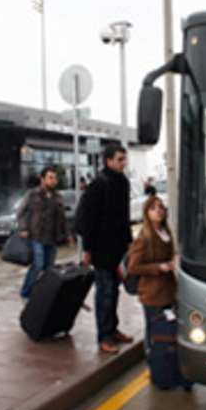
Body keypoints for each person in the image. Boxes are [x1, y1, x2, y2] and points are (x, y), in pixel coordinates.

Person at [77, 143, 134, 354]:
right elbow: (87, 220)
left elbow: (125, 216)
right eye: (119, 159)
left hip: (118, 248)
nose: (123, 163)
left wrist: (129, 242)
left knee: (115, 291)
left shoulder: (123, 183)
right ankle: (104, 336)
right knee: (105, 292)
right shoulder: (98, 185)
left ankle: (113, 328)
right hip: (101, 249)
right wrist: (87, 250)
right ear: (108, 161)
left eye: (124, 159)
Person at [17, 166, 74, 300]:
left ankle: (43, 292)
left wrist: (67, 235)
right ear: (42, 179)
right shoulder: (32, 194)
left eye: (55, 178)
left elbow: (62, 219)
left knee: (49, 269)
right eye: (50, 178)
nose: (53, 181)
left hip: (52, 237)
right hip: (36, 236)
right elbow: (21, 212)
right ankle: (26, 291)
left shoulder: (58, 197)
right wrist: (23, 228)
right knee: (37, 264)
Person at [127, 195, 177, 342]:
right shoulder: (144, 238)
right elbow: (133, 267)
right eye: (153, 208)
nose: (158, 211)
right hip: (152, 293)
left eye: (160, 207)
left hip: (168, 291)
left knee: (166, 333)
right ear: (146, 213)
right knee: (154, 333)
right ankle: (153, 360)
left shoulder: (165, 232)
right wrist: (159, 267)